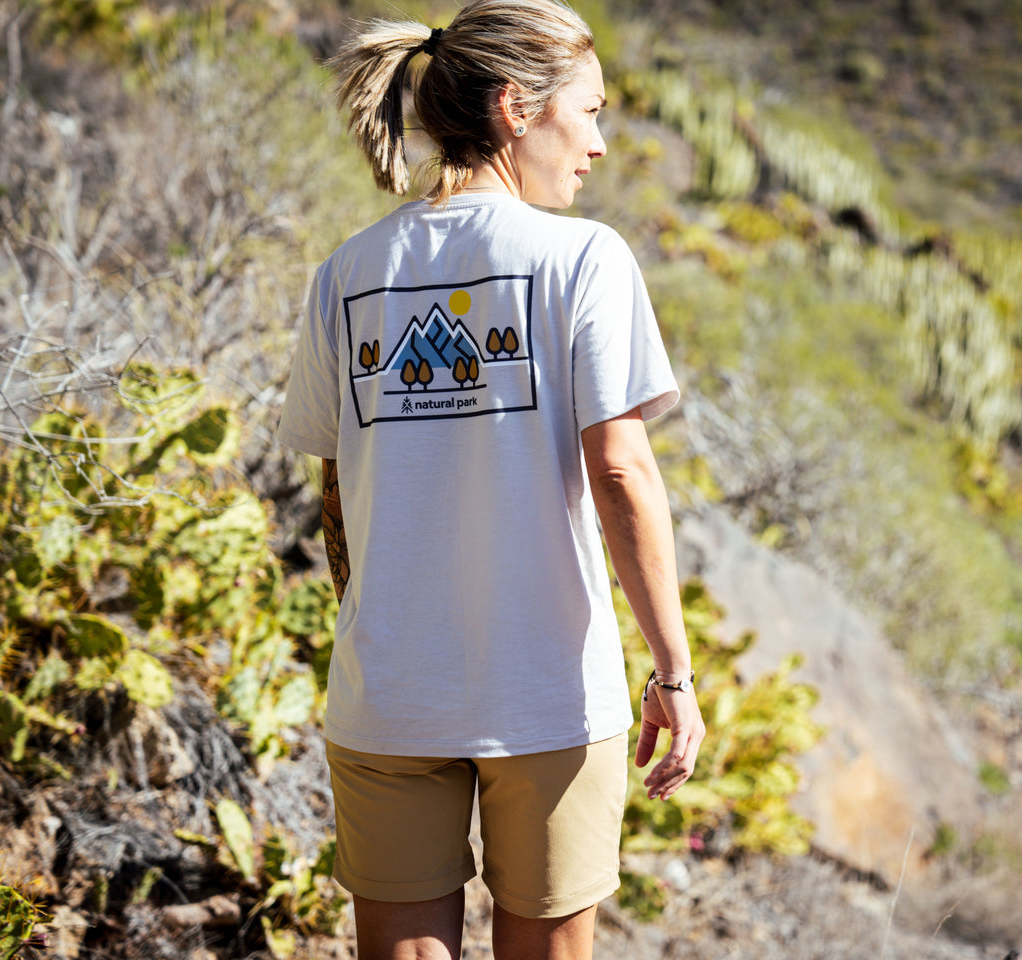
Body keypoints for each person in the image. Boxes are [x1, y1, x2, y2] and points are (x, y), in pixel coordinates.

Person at [276, 2, 705, 958]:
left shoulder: (348, 273)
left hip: (389, 691)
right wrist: (672, 672)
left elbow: (335, 484)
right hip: (546, 693)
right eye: (587, 113)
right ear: (517, 107)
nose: (596, 145)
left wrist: (375, 624)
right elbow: (623, 471)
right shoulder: (583, 258)